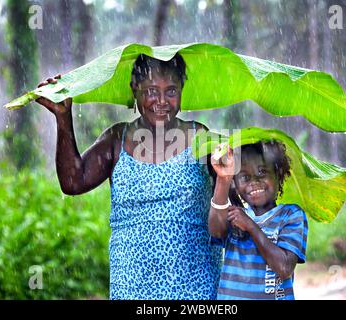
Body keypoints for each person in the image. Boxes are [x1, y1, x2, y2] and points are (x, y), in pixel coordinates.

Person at [36, 53, 222, 299]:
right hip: (132, 287)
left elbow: (230, 201)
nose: (161, 101)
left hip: (195, 288)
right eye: (152, 91)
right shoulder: (116, 140)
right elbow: (73, 182)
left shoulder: (200, 138)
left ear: (182, 90)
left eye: (171, 91)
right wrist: (63, 119)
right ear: (135, 89)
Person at [208, 141, 308, 300]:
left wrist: (250, 226)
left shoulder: (290, 215)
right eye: (245, 177)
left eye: (262, 171)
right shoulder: (235, 215)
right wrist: (223, 178)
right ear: (236, 184)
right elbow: (216, 230)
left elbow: (284, 268)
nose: (254, 181)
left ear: (278, 173)